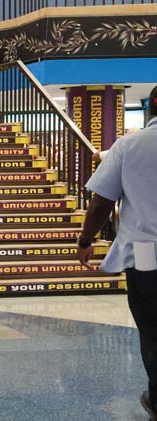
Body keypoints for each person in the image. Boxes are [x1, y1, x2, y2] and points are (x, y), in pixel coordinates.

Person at [77, 84, 157, 420]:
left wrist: (85, 241)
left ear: (151, 108)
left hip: (146, 253)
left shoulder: (129, 146)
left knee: (152, 327)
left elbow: (101, 204)